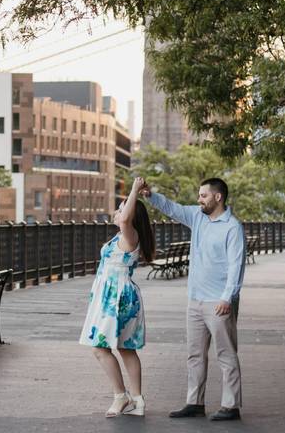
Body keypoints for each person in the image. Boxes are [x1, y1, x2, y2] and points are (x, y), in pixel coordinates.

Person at [139, 177, 245, 422]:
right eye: (199, 195)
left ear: (218, 197)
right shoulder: (197, 216)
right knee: (195, 355)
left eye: (203, 196)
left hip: (219, 302)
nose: (199, 200)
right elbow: (172, 208)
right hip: (195, 300)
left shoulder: (232, 227)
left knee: (226, 354)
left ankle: (231, 406)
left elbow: (236, 266)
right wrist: (150, 195)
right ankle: (194, 402)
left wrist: (227, 298)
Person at [79, 175, 156, 417]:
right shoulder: (123, 236)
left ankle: (121, 395)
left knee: (99, 348)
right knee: (125, 348)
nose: (117, 211)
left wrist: (133, 190)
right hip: (115, 294)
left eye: (122, 207)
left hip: (117, 296)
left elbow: (124, 219)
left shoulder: (129, 234)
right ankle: (137, 400)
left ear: (131, 214)